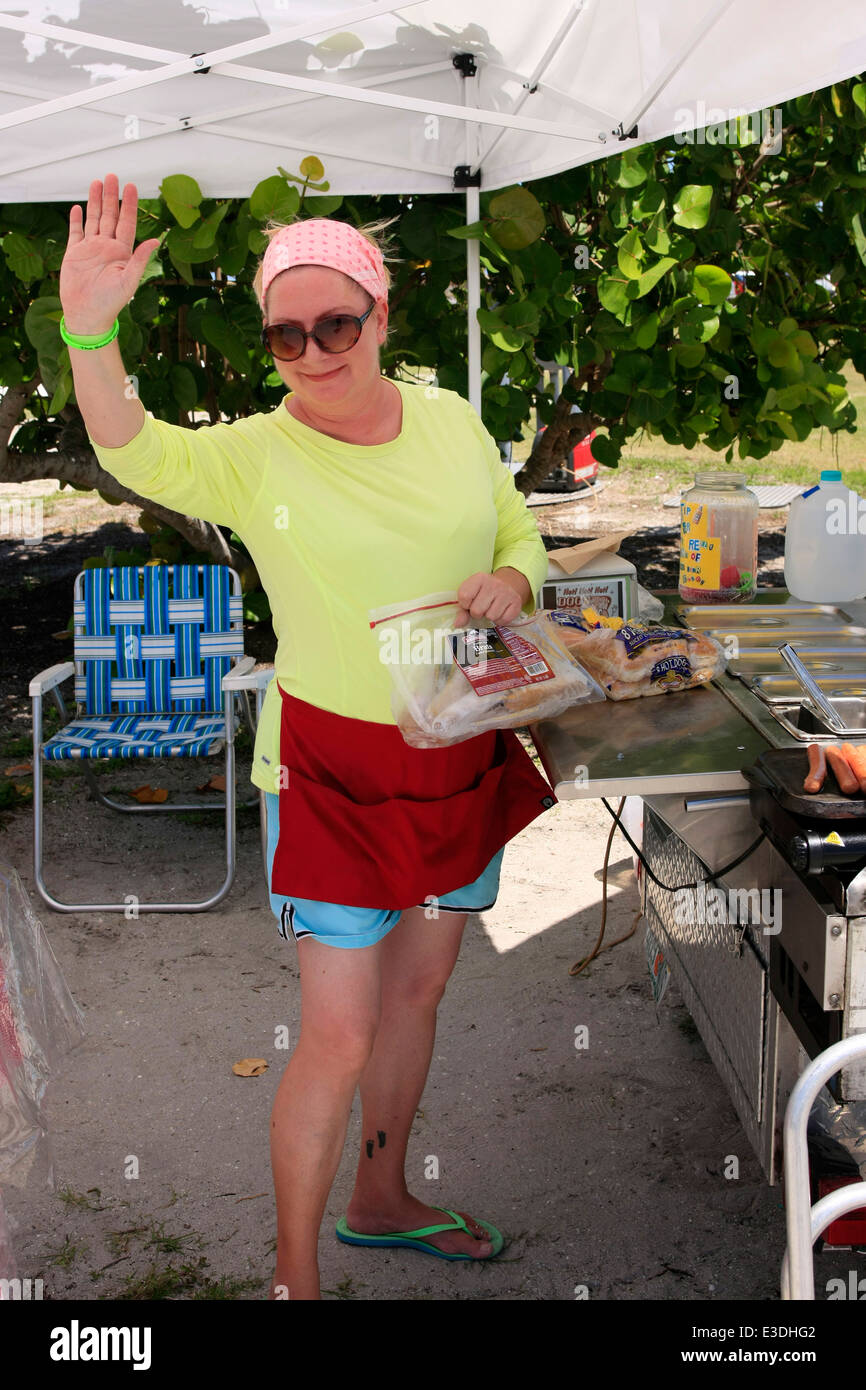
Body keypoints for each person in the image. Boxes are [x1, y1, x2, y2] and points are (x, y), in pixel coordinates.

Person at [59, 173, 559, 1300]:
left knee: (417, 994)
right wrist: (89, 327)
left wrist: (511, 575)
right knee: (334, 1032)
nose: (314, 350)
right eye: (287, 334)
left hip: (454, 743)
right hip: (329, 765)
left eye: (337, 323)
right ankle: (296, 1283)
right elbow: (130, 445)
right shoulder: (256, 452)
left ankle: (380, 1202)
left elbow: (516, 524)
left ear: (382, 316)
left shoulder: (448, 417)